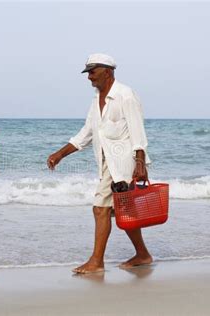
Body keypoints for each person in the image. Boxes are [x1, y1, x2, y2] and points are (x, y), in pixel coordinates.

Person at [47, 53, 153, 274]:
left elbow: (137, 130)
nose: (89, 78)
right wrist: (60, 154)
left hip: (125, 163)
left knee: (100, 208)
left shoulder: (126, 95)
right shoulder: (96, 100)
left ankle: (96, 261)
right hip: (107, 164)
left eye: (93, 72)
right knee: (125, 212)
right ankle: (142, 254)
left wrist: (140, 162)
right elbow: (85, 134)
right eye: (88, 73)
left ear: (108, 71)